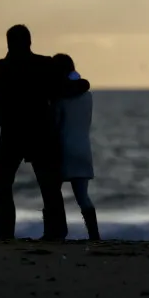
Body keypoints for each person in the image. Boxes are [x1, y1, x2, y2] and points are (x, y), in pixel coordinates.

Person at [0, 24, 71, 241]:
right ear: (29, 42)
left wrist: (4, 122)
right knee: (48, 186)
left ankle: (7, 231)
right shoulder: (43, 64)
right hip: (38, 131)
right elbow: (60, 92)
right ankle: (57, 231)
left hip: (14, 132)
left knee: (3, 184)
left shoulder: (3, 66)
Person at [52, 53, 100, 241]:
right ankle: (94, 235)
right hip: (83, 149)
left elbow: (56, 124)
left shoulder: (59, 99)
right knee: (83, 198)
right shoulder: (87, 96)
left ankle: (57, 232)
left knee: (53, 194)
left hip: (63, 149)